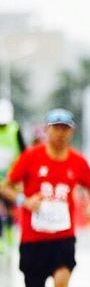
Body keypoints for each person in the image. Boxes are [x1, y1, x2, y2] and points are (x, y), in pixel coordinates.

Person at [0, 109, 90, 287]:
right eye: (55, 127)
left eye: (65, 128)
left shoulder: (77, 162)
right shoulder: (31, 158)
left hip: (63, 238)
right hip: (33, 240)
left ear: (72, 132)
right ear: (46, 130)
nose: (60, 133)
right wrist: (25, 200)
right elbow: (6, 187)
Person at [0, 98, 26, 251]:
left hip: (11, 181)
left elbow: (24, 155)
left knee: (9, 210)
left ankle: (9, 238)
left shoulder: (15, 130)